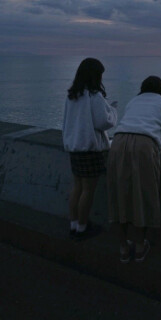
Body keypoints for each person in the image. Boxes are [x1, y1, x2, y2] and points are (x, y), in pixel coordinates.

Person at [107, 76, 161, 263]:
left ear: (143, 88)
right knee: (142, 195)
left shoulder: (134, 101)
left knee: (119, 195)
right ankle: (139, 247)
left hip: (117, 142)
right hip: (143, 145)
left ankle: (123, 247)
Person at [62, 58, 118, 240]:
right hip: (90, 150)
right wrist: (113, 111)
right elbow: (104, 122)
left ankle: (74, 225)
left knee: (77, 187)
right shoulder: (94, 96)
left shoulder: (72, 96)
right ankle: (83, 228)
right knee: (88, 190)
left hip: (75, 148)